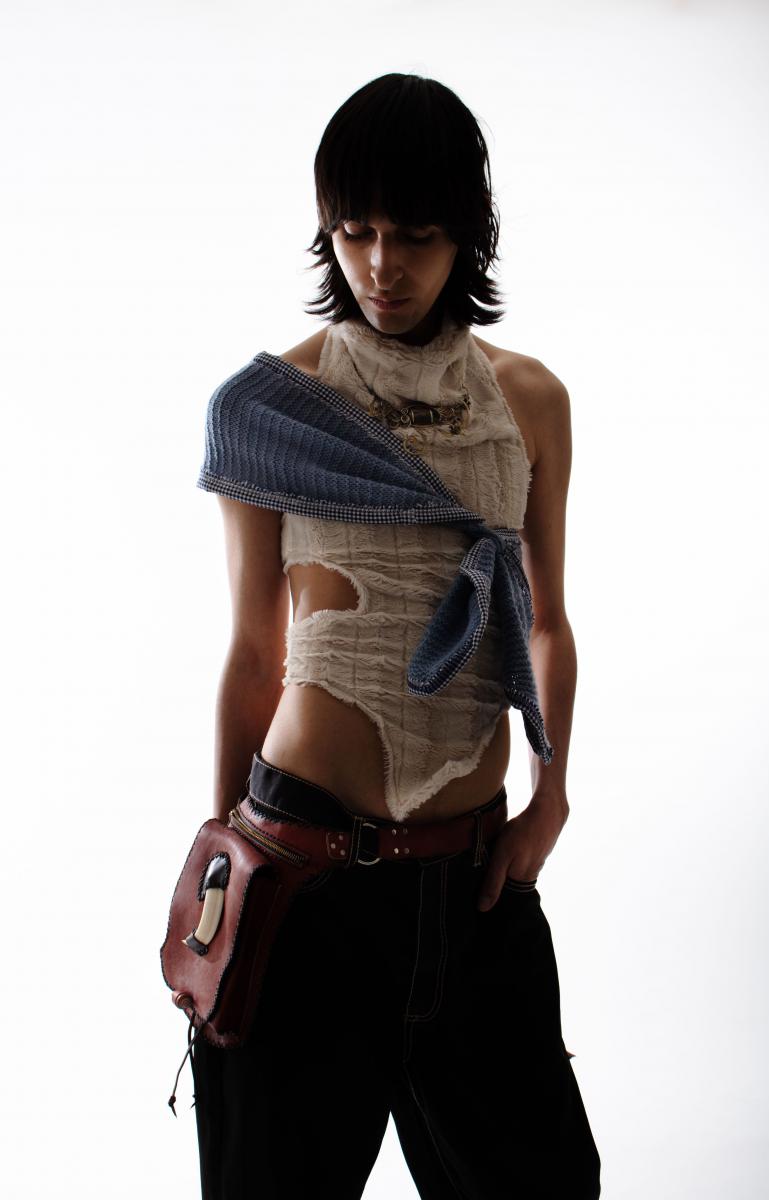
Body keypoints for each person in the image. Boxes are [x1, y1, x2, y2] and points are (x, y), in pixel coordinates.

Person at [189, 72, 602, 1199]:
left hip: (473, 884)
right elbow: (253, 652)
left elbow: (547, 619)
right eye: (356, 231)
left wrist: (551, 798)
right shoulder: (268, 407)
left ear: (467, 233)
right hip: (302, 873)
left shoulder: (530, 401)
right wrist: (225, 869)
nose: (381, 265)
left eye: (414, 236)